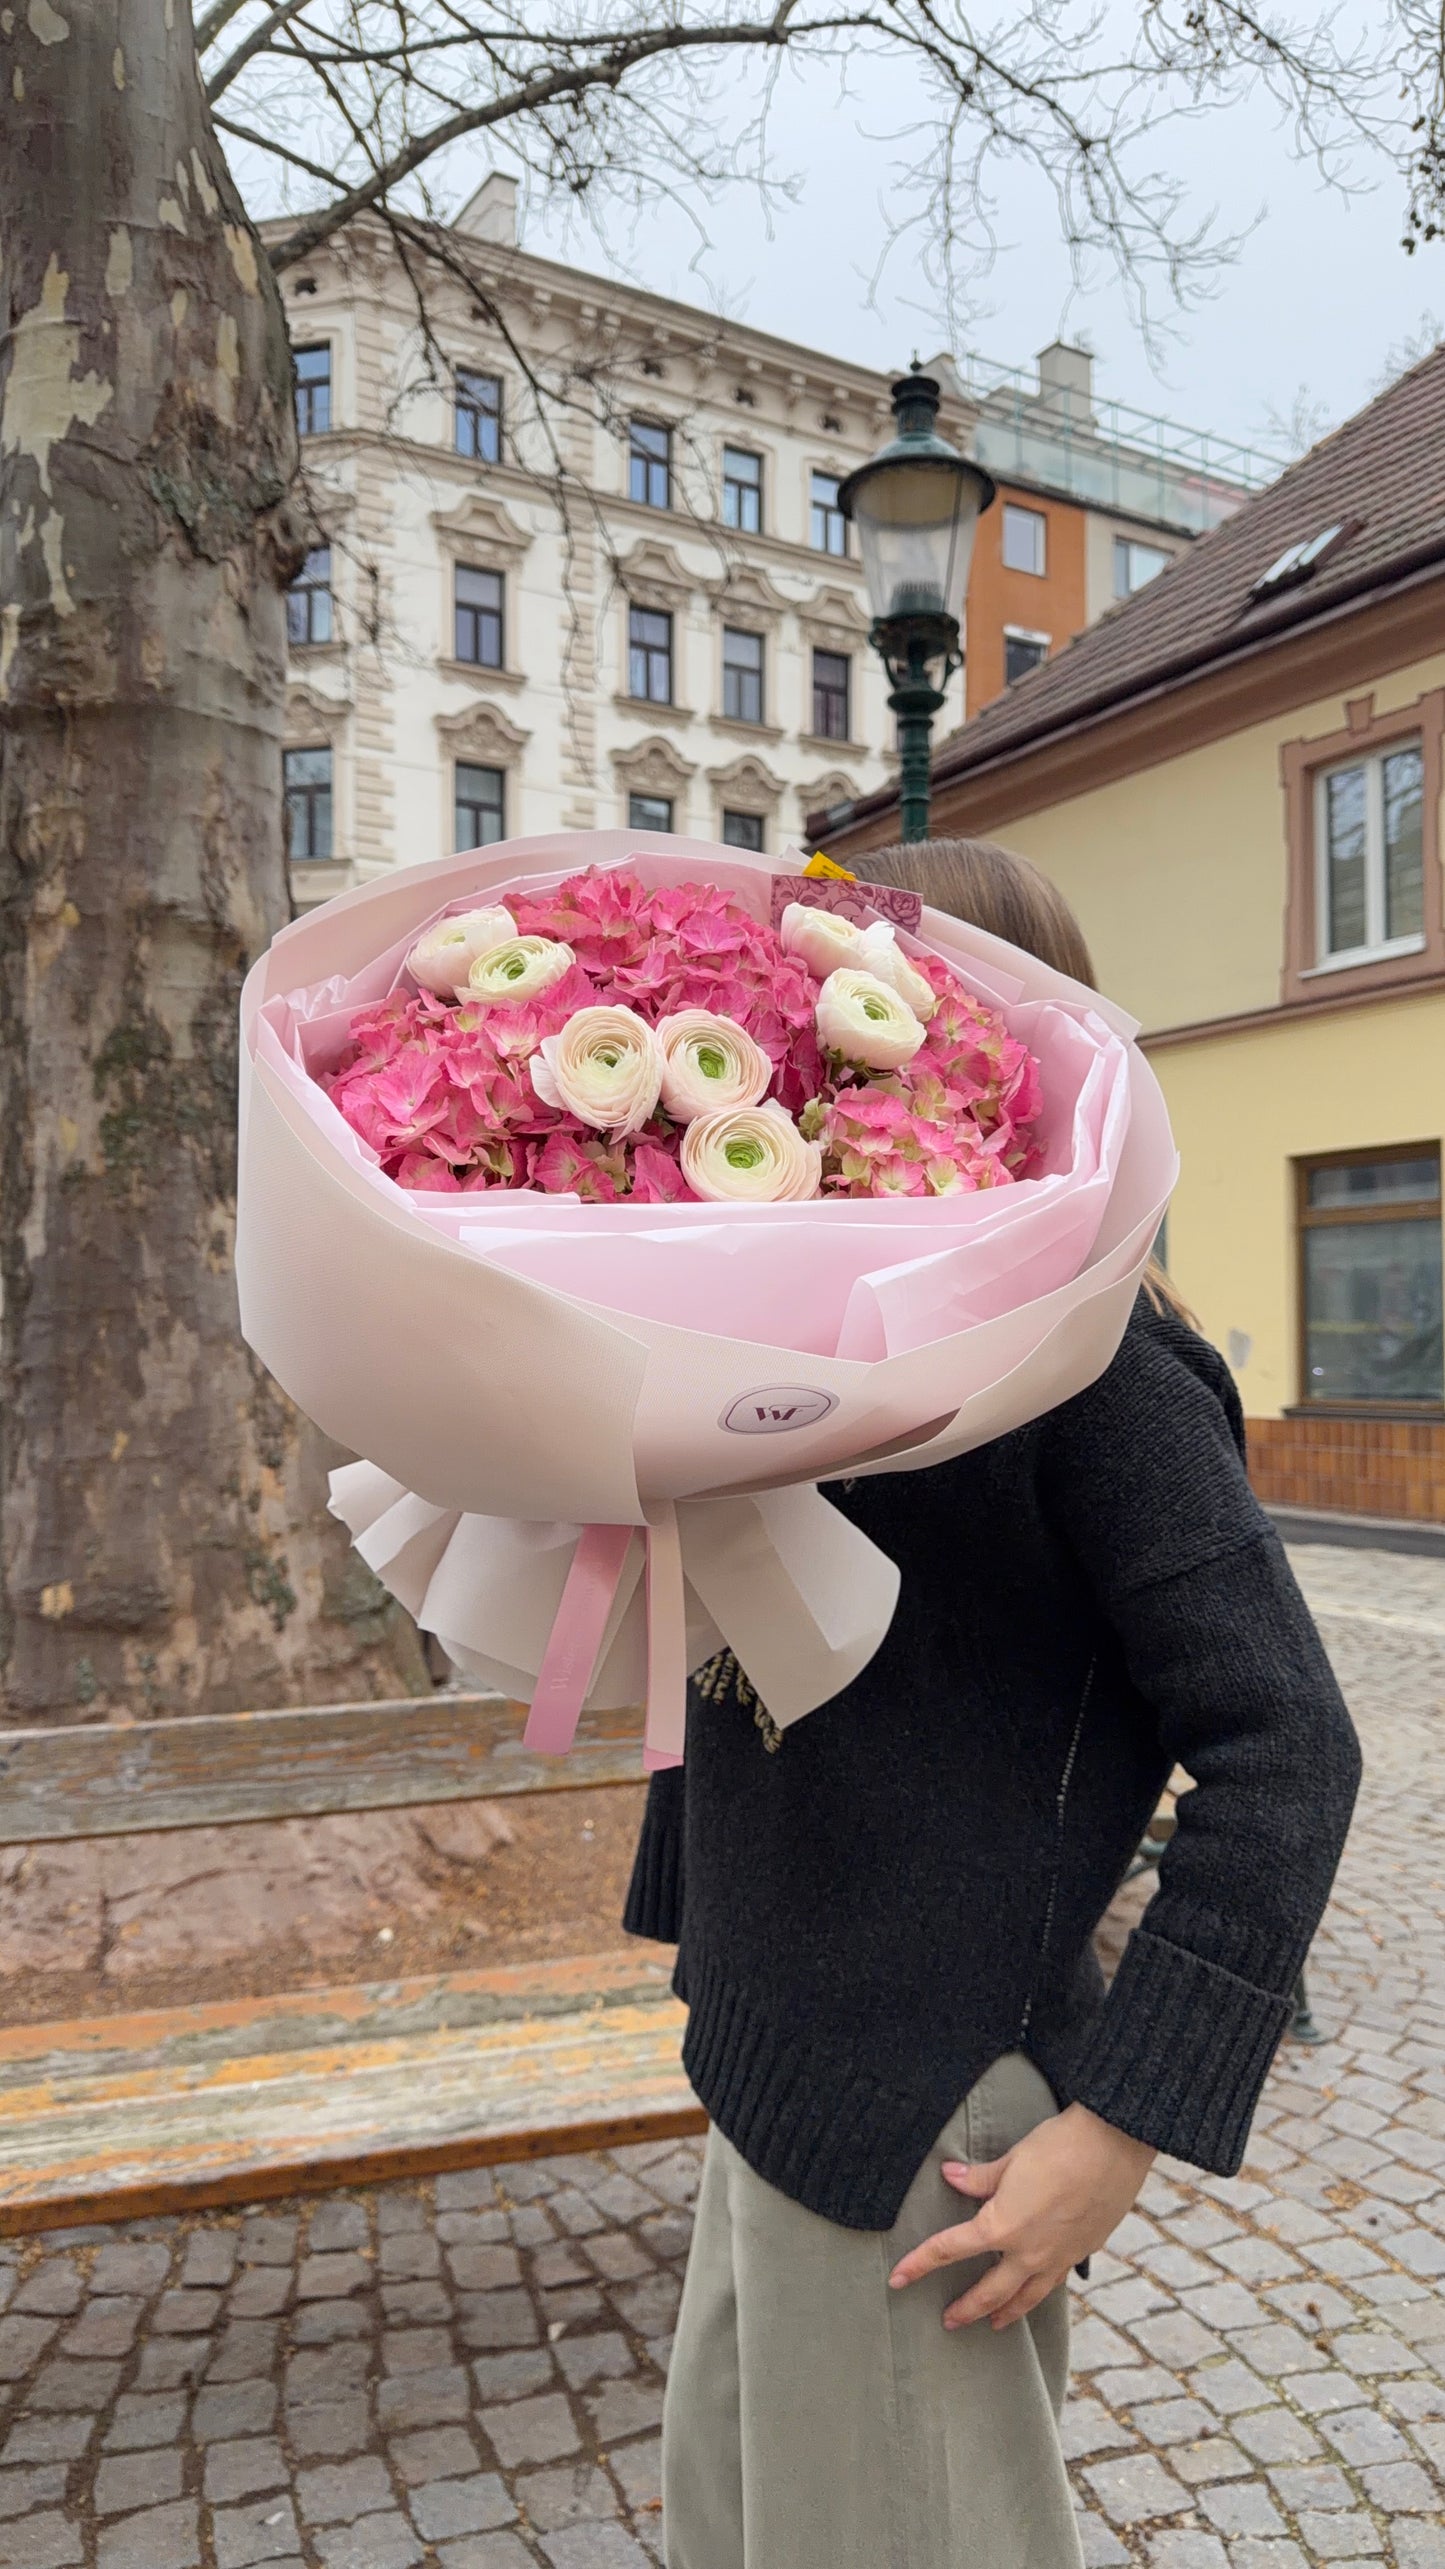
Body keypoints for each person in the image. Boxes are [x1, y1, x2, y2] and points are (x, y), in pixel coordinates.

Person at [623, 835, 1362, 2569]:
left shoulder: (1105, 1378)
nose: (811, 1046)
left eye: (850, 1014)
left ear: (986, 1051)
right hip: (772, 2074)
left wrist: (1120, 2119)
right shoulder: (823, 1355)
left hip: (928, 2122)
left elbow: (1291, 1745)